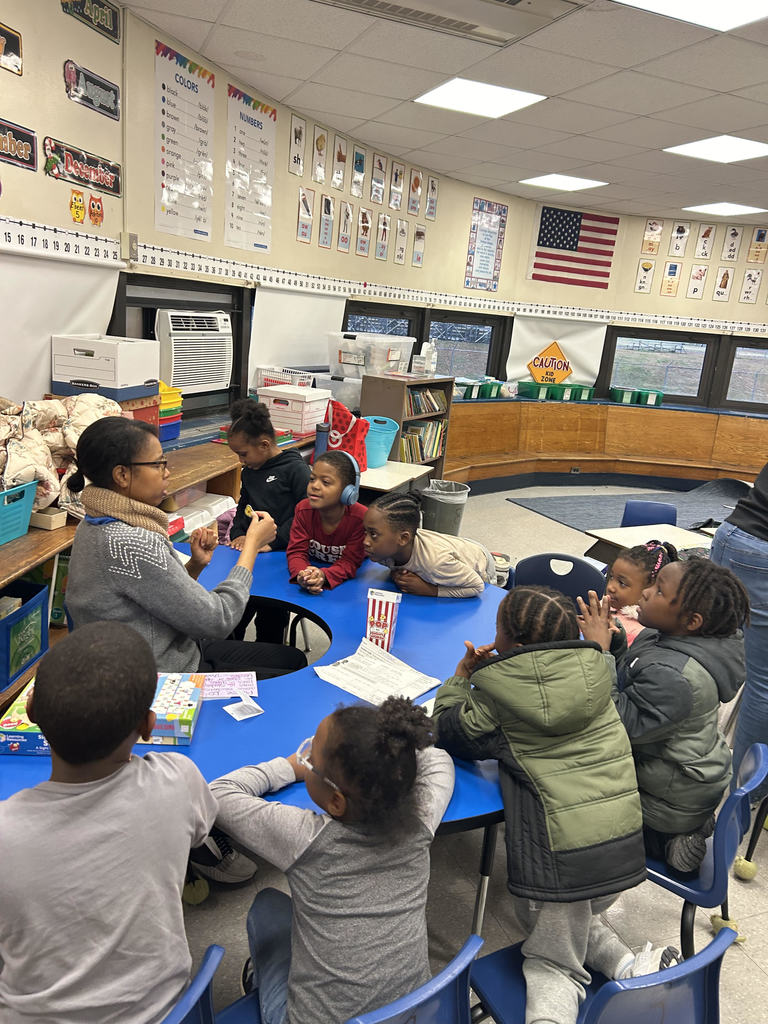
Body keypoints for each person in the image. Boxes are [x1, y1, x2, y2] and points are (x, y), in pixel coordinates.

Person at [432, 586, 675, 1024]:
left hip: (564, 861)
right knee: (570, 921)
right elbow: (593, 660)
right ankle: (630, 968)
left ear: (515, 645)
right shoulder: (598, 667)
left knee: (551, 960)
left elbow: (449, 732)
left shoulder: (496, 690)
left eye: (498, 630)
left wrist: (461, 678)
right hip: (622, 849)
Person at [0, 623, 218, 1023]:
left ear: (29, 712)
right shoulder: (178, 779)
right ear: (149, 726)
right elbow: (204, 827)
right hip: (166, 1009)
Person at [209, 698, 454, 1024]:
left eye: (310, 758)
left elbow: (218, 794)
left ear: (336, 801)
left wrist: (287, 766)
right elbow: (438, 759)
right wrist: (389, 751)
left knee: (267, 905)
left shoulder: (305, 838)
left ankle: (261, 986)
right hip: (409, 1014)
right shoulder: (421, 818)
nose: (305, 757)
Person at [66, 416, 306, 680]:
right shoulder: (131, 541)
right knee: (292, 666)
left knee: (288, 657)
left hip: (162, 649)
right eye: (158, 464)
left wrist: (194, 565)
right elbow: (218, 620)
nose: (167, 472)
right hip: (163, 674)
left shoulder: (94, 524)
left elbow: (155, 595)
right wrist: (252, 545)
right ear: (122, 475)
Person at [579, 558, 748, 875]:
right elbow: (631, 679)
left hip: (667, 798)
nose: (645, 592)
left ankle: (672, 837)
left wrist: (596, 652)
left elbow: (618, 724)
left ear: (692, 621)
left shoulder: (676, 676)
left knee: (573, 804)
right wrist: (615, 645)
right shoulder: (665, 637)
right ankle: (686, 821)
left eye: (658, 591)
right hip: (678, 772)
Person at [227, 398, 312, 643]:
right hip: (251, 557)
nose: (241, 461)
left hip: (280, 558)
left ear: (264, 445)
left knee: (270, 623)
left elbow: (304, 515)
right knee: (235, 617)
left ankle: (267, 667)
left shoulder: (295, 470)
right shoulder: (249, 472)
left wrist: (273, 542)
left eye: (243, 454)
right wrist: (239, 535)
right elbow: (244, 507)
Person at [711, 468, 768, 803]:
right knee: (763, 684)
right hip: (758, 548)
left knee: (701, 644)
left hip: (738, 535)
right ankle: (748, 794)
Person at [363, 491, 495, 597]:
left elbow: (477, 586)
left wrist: (430, 590)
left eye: (373, 534)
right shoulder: (382, 551)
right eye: (365, 532)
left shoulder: (436, 563)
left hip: (480, 563)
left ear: (403, 539)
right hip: (453, 547)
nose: (365, 541)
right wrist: (396, 573)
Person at [286, 450, 366, 593]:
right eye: (312, 479)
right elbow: (296, 552)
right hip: (312, 570)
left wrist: (323, 576)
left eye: (326, 482)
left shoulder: (360, 519)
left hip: (349, 586)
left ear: (348, 491)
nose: (315, 486)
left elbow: (350, 562)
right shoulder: (303, 510)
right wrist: (303, 575)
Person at [605, 540, 678, 645]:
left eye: (622, 583)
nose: (611, 587)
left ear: (650, 588)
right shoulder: (607, 606)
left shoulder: (639, 633)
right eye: (611, 577)